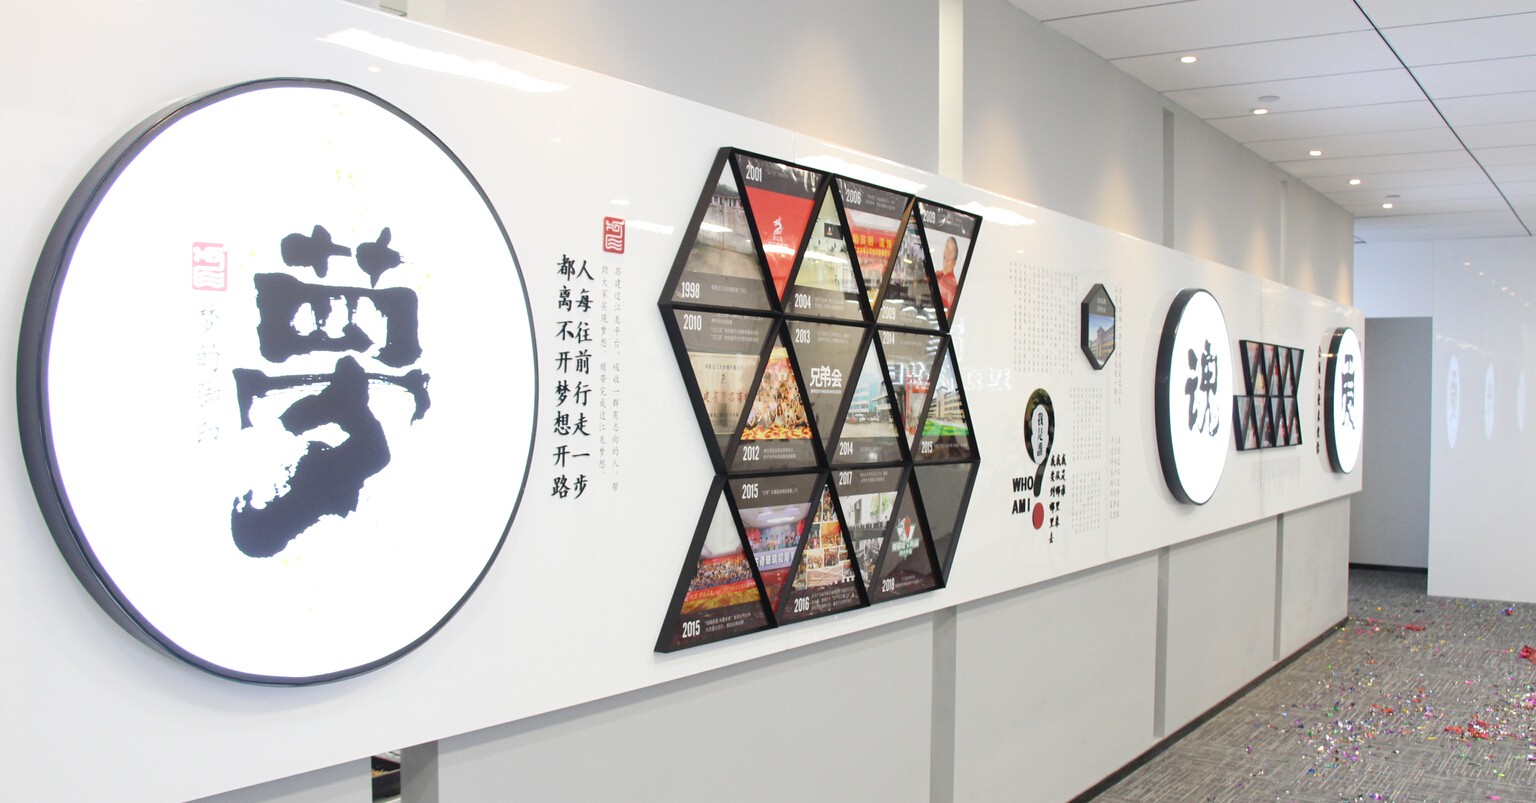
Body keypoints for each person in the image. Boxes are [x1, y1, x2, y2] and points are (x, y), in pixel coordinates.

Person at [936, 236, 960, 312]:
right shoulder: (936, 275)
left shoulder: (953, 287)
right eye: (947, 247)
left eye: (951, 251)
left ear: (955, 262)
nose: (947, 253)